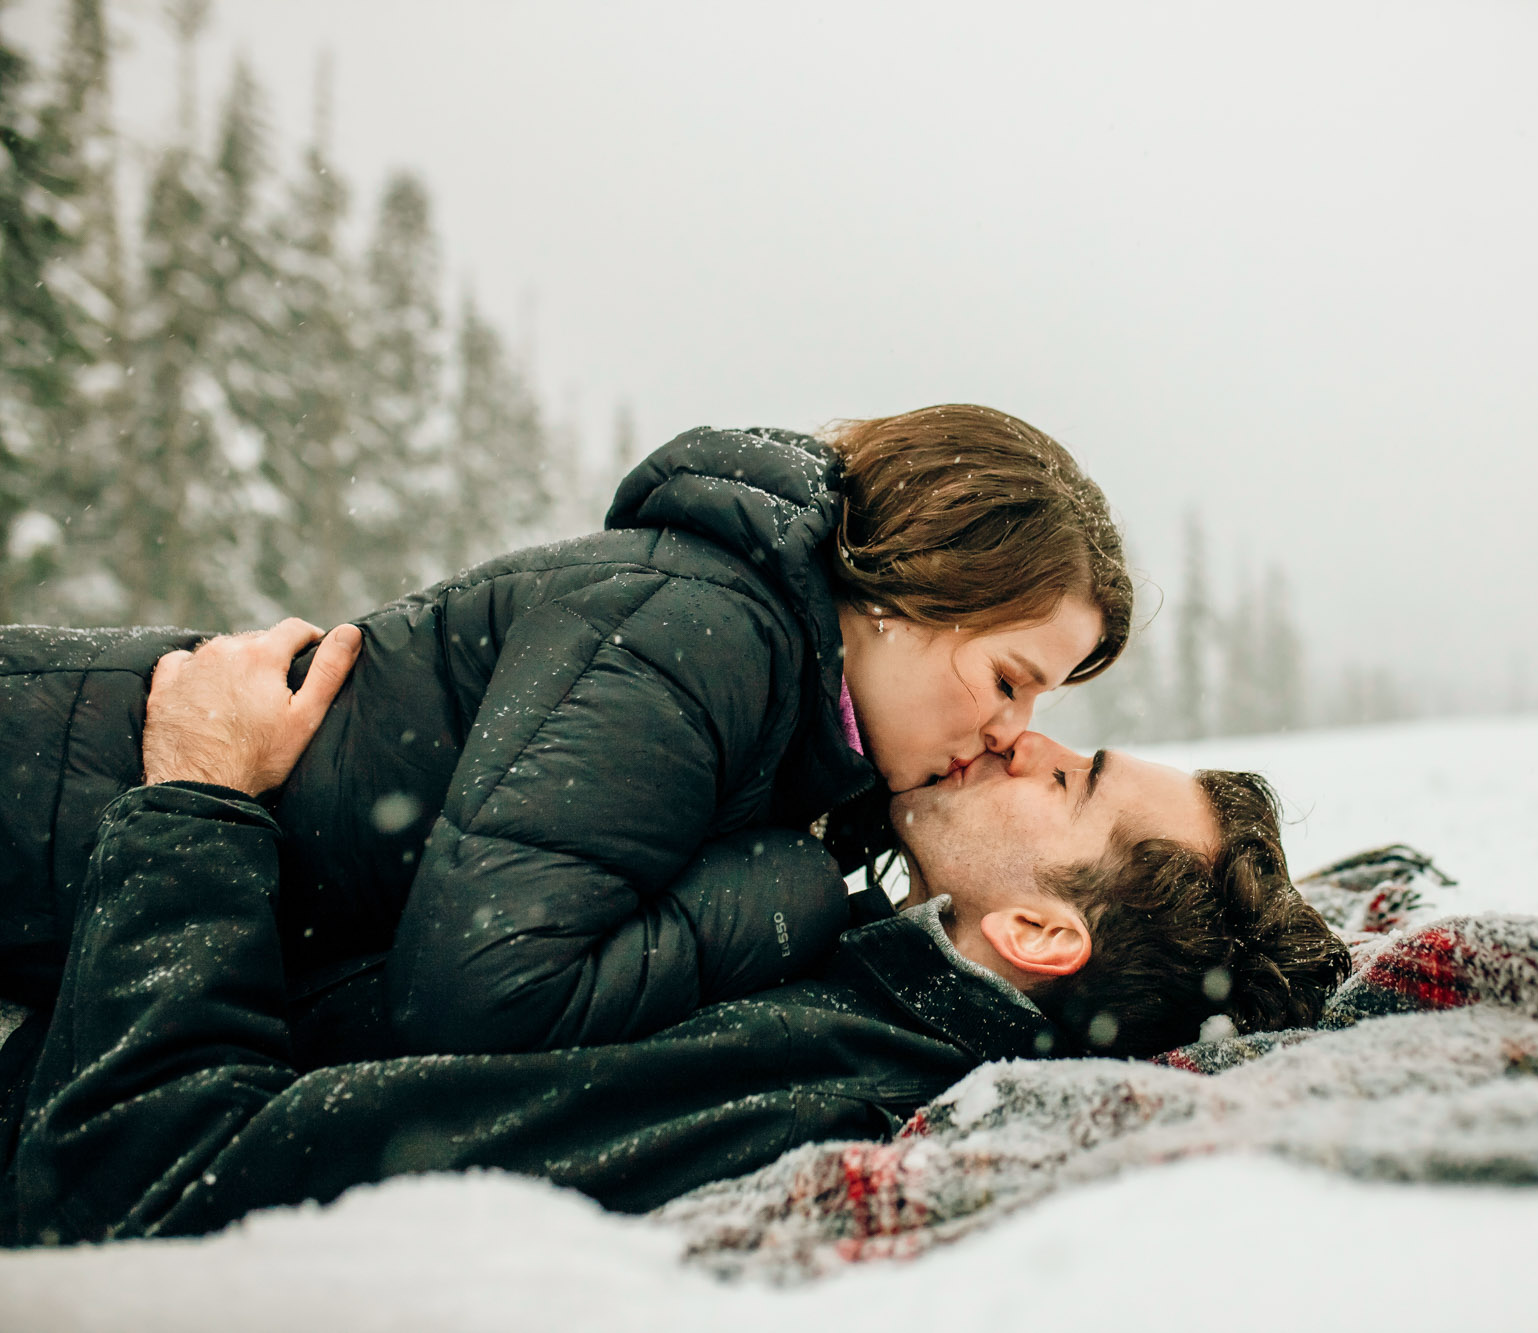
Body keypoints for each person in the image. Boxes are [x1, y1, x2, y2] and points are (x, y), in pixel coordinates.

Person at [1, 616, 1346, 1246]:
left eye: (1069, 783)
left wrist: (193, 800)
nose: (1025, 739)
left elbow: (144, 1178)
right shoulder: (848, 961)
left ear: (1045, 931)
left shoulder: (798, 1085)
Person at [0, 404, 1131, 1060]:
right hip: (46, 775)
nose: (1005, 734)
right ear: (906, 586)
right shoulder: (703, 634)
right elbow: (484, 993)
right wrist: (780, 890)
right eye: (1005, 679)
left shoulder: (783, 710)